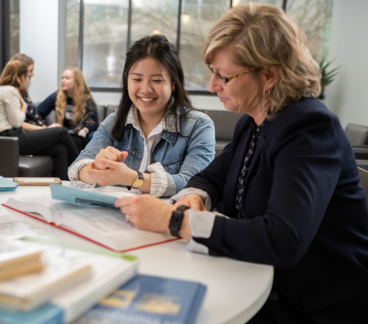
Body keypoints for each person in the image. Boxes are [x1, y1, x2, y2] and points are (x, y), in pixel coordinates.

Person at [114, 3, 368, 323]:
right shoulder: (252, 122)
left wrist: (175, 221)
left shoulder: (309, 128)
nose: (211, 86)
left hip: (312, 305)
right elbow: (212, 178)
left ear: (269, 75)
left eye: (223, 76)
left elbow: (283, 239)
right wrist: (194, 197)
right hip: (257, 279)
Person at [68, 35, 216, 198]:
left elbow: (194, 185)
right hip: (117, 217)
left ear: (174, 83)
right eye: (137, 79)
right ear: (127, 81)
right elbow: (76, 168)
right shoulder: (115, 120)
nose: (146, 89)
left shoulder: (199, 126)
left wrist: (133, 179)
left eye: (157, 80)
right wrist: (94, 170)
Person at [0, 60, 79, 180]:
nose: (28, 82)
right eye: (28, 78)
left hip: (8, 138)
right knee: (61, 131)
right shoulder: (11, 91)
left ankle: (63, 184)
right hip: (12, 139)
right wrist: (24, 107)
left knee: (60, 150)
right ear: (22, 77)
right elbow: (17, 122)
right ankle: (81, 168)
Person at [36, 67, 99, 150]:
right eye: (62, 78)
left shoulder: (87, 99)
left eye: (67, 78)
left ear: (77, 81)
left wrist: (85, 130)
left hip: (82, 133)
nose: (63, 81)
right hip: (64, 133)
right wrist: (43, 126)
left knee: (94, 136)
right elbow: (38, 112)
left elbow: (93, 120)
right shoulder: (56, 96)